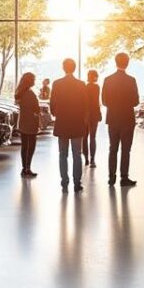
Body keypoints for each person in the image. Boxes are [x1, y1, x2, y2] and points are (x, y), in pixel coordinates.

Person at [101, 52, 140, 187]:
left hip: (112, 118)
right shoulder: (131, 80)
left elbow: (104, 101)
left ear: (115, 62)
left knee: (113, 148)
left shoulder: (107, 80)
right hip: (128, 119)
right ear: (127, 63)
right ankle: (124, 178)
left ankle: (111, 178)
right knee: (125, 150)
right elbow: (135, 101)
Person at [49, 58, 88, 192]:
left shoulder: (57, 84)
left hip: (62, 122)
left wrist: (57, 115)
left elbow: (52, 104)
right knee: (77, 154)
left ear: (63, 68)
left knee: (62, 154)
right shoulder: (81, 84)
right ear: (75, 68)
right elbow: (85, 105)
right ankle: (77, 183)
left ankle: (64, 182)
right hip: (77, 123)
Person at [15, 72, 40, 177]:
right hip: (31, 122)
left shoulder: (20, 92)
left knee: (24, 146)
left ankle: (24, 168)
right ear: (30, 81)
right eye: (33, 79)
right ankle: (27, 168)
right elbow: (36, 108)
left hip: (23, 121)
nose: (35, 81)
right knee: (31, 146)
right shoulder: (29, 93)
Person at [83, 69, 102, 167]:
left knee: (84, 137)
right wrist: (99, 114)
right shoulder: (96, 87)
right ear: (94, 76)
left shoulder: (84, 87)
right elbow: (96, 102)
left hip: (85, 115)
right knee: (93, 137)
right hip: (94, 114)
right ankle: (92, 160)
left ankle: (85, 158)